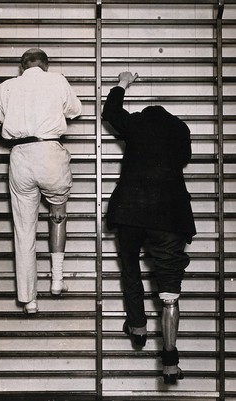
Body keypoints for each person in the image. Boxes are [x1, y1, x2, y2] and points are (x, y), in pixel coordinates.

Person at [102, 71, 196, 384]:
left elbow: (111, 114)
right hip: (170, 213)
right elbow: (184, 158)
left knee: (130, 268)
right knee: (169, 292)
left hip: (130, 209)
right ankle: (170, 362)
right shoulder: (180, 128)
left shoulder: (137, 123)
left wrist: (123, 83)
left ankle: (138, 326)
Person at [0, 48, 82, 314]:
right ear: (46, 65)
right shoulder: (57, 80)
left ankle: (29, 300)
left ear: (21, 66)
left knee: (24, 229)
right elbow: (75, 110)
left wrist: (18, 114)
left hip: (20, 155)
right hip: (50, 151)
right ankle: (57, 280)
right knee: (58, 214)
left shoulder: (7, 86)